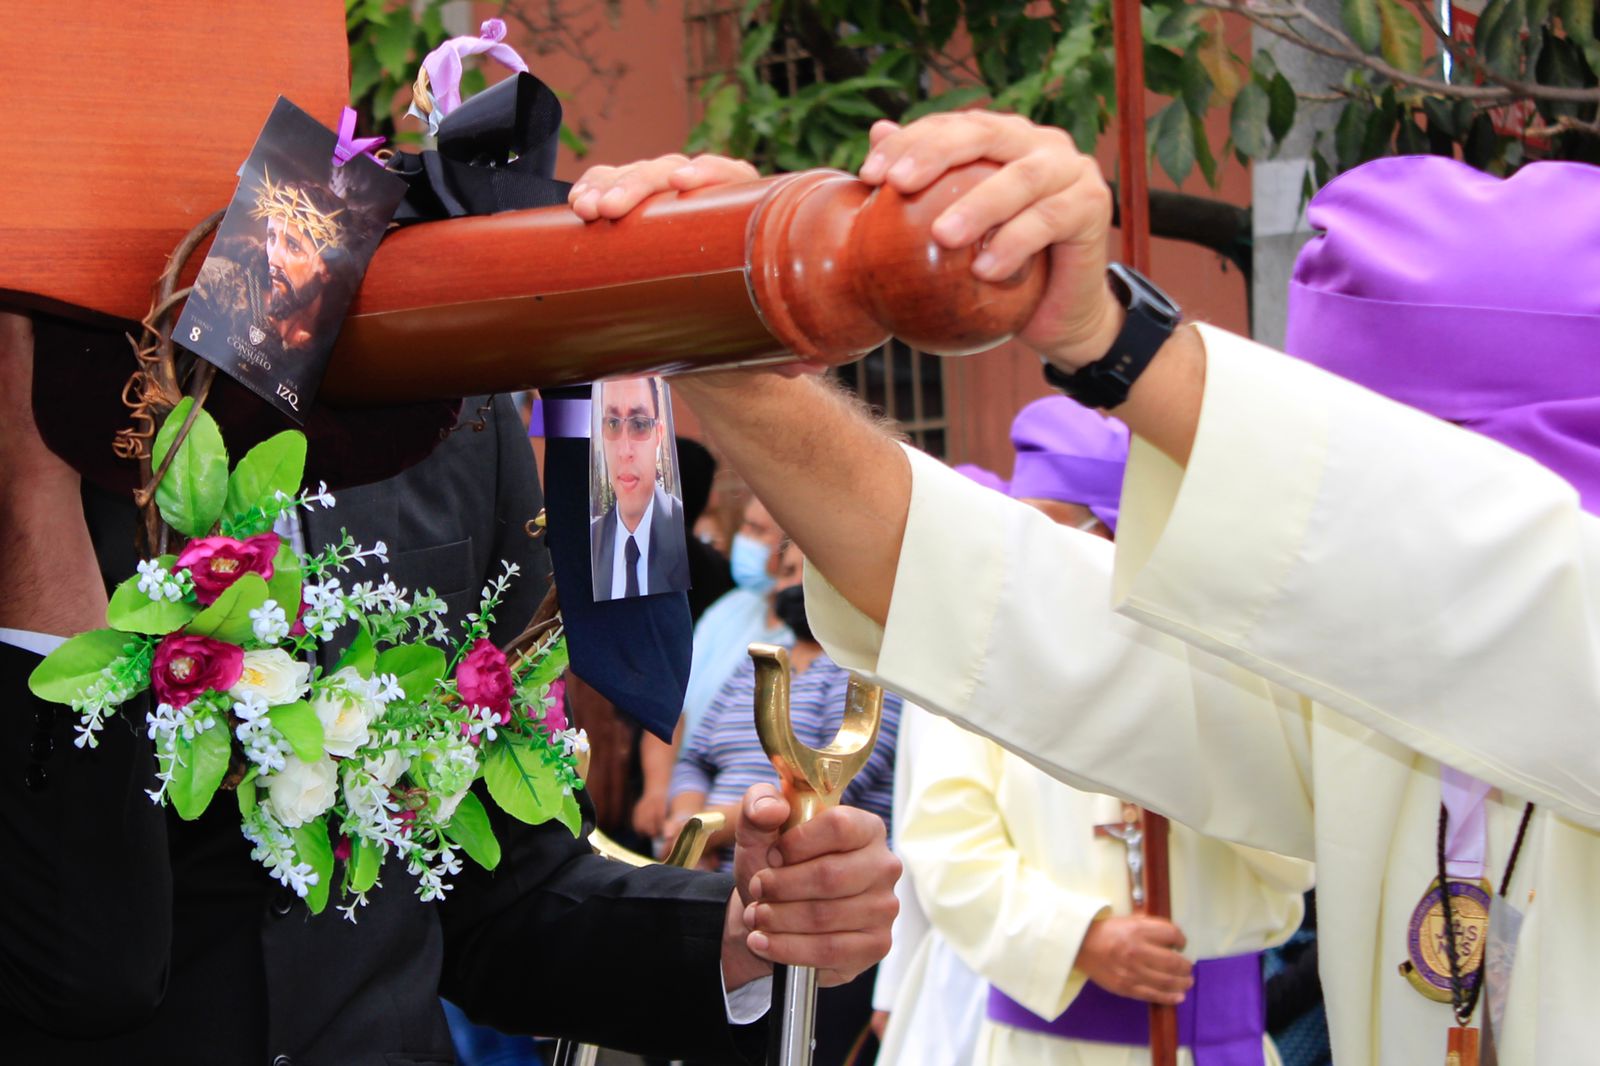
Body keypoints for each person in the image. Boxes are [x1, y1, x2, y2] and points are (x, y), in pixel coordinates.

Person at [569, 114, 1600, 1062]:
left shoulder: (1553, 630)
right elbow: (989, 598)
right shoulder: (1359, 689)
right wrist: (727, 344)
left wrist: (1110, 333)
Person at [0, 312, 899, 1064]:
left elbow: (504, 892)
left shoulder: (445, 408)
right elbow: (80, 968)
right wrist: (31, 504)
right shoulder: (35, 394)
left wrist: (742, 936)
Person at [889, 397, 1311, 1066]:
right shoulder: (985, 662)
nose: (1033, 557)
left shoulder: (1221, 663)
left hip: (1211, 1038)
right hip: (1042, 1044)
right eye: (1022, 531)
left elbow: (1298, 832)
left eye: (1056, 531)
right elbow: (946, 842)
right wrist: (1078, 939)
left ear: (1118, 534)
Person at [635, 496, 793, 846]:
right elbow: (674, 711)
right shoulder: (729, 610)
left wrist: (702, 833)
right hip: (685, 814)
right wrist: (658, 791)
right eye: (745, 525)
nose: (743, 539)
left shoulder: (811, 641)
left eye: (758, 531)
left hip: (752, 831)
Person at [590, 376, 690, 600]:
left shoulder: (683, 534)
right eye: (612, 424)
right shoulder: (591, 540)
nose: (625, 451)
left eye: (639, 425)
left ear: (659, 435)